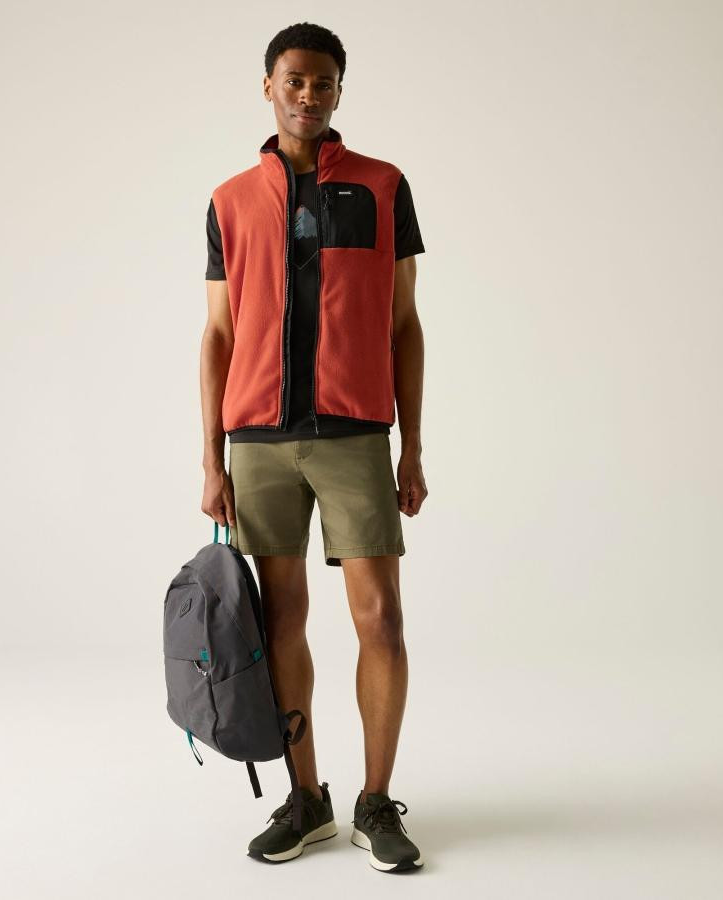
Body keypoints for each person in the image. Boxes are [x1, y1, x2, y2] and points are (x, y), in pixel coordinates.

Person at [200, 22, 428, 873]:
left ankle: (376, 801)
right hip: (259, 442)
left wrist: (411, 445)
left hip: (355, 432)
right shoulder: (229, 200)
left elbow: (404, 323)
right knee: (278, 621)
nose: (308, 93)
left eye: (323, 81)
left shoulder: (382, 185)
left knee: (382, 619)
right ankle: (307, 799)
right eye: (294, 79)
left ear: (338, 90)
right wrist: (211, 459)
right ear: (269, 86)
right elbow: (218, 334)